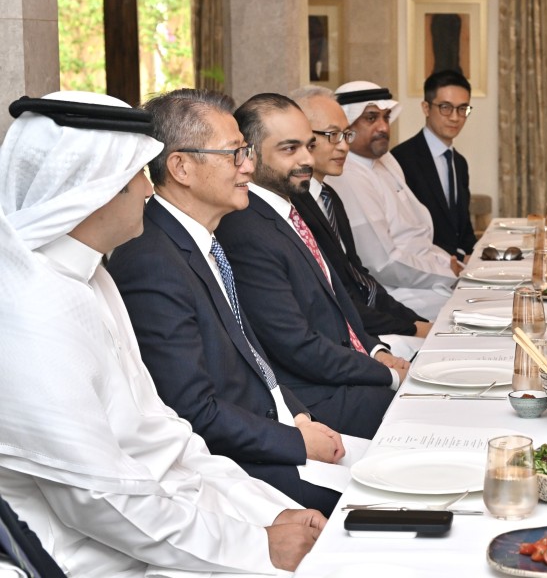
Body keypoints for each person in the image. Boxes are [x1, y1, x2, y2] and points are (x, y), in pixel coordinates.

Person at [0, 92, 324, 576]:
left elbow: (166, 437)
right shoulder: (29, 309)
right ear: (94, 189)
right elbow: (98, 503)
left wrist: (267, 511)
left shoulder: (90, 277)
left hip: (173, 524)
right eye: (136, 175)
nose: (149, 191)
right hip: (100, 558)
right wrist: (257, 547)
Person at [107, 88, 343, 516]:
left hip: (273, 431)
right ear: (181, 166)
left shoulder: (202, 238)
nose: (249, 166)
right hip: (231, 467)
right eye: (235, 154)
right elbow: (192, 410)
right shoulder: (151, 259)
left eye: (247, 152)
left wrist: (299, 415)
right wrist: (295, 440)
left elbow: (253, 357)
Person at [216, 93, 407, 439]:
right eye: (290, 149)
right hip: (310, 397)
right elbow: (295, 345)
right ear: (250, 155)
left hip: (337, 371)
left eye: (308, 145)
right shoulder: (245, 228)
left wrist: (376, 351)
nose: (307, 159)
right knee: (420, 412)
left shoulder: (292, 203)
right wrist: (387, 376)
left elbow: (338, 296)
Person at [289, 85, 430, 360]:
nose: (344, 145)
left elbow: (360, 277)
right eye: (332, 135)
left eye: (346, 135)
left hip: (367, 320)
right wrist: (411, 327)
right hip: (339, 340)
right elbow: (336, 296)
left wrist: (415, 322)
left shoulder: (329, 197)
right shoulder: (296, 208)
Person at [327, 81, 459, 320]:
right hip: (396, 290)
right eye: (370, 118)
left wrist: (446, 262)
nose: (383, 127)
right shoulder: (346, 174)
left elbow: (416, 233)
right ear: (347, 124)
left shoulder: (386, 160)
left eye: (386, 117)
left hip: (428, 275)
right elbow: (383, 265)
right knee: (469, 309)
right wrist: (447, 273)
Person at [391, 69, 477, 260]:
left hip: (460, 268)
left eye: (463, 109)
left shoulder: (459, 163)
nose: (455, 117)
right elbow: (403, 233)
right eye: (446, 107)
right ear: (426, 108)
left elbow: (463, 229)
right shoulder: (401, 159)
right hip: (424, 268)